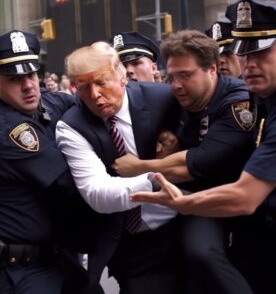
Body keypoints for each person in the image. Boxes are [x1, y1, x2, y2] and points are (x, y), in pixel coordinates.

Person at [130, 0, 276, 294]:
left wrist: (181, 202)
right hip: (266, 225)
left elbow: (243, 196)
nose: (250, 64)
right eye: (244, 53)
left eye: (262, 52)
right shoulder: (265, 91)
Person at [113, 29, 256, 294]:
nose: (177, 85)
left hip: (245, 198)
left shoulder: (237, 102)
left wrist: (139, 167)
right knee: (196, 254)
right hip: (200, 198)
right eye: (172, 76)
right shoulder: (173, 99)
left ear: (212, 69)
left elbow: (197, 163)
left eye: (186, 75)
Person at [55, 41, 181, 294]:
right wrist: (156, 175)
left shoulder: (164, 98)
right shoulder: (71, 126)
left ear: (122, 76)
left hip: (182, 224)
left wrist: (178, 141)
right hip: (129, 242)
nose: (94, 95)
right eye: (83, 87)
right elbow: (97, 193)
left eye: (102, 82)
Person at [0, 30, 94, 294]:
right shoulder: (10, 130)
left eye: (30, 74)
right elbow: (68, 183)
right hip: (23, 272)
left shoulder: (50, 103)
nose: (28, 85)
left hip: (59, 258)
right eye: (14, 79)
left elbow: (96, 104)